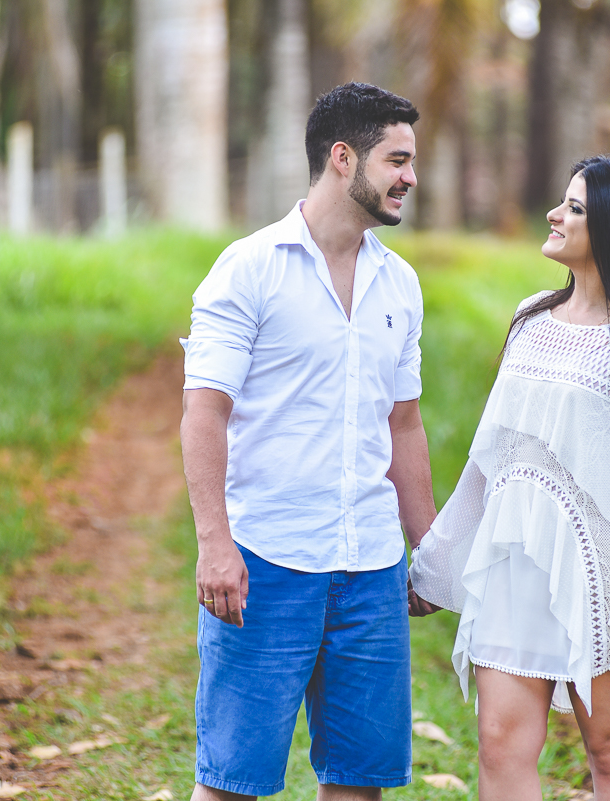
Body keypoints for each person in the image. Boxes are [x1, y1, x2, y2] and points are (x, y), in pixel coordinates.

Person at [408, 154, 610, 800]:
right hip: (514, 565)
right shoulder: (530, 321)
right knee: (500, 742)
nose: (555, 214)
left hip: (602, 578)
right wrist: (434, 562)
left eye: (575, 207)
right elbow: (493, 458)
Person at [180, 82, 437, 801]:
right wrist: (214, 542)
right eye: (398, 159)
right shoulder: (249, 269)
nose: (411, 177)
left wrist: (428, 547)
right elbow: (204, 413)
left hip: (371, 568)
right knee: (232, 780)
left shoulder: (401, 285)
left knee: (359, 781)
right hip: (268, 562)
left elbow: (404, 422)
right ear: (342, 157)